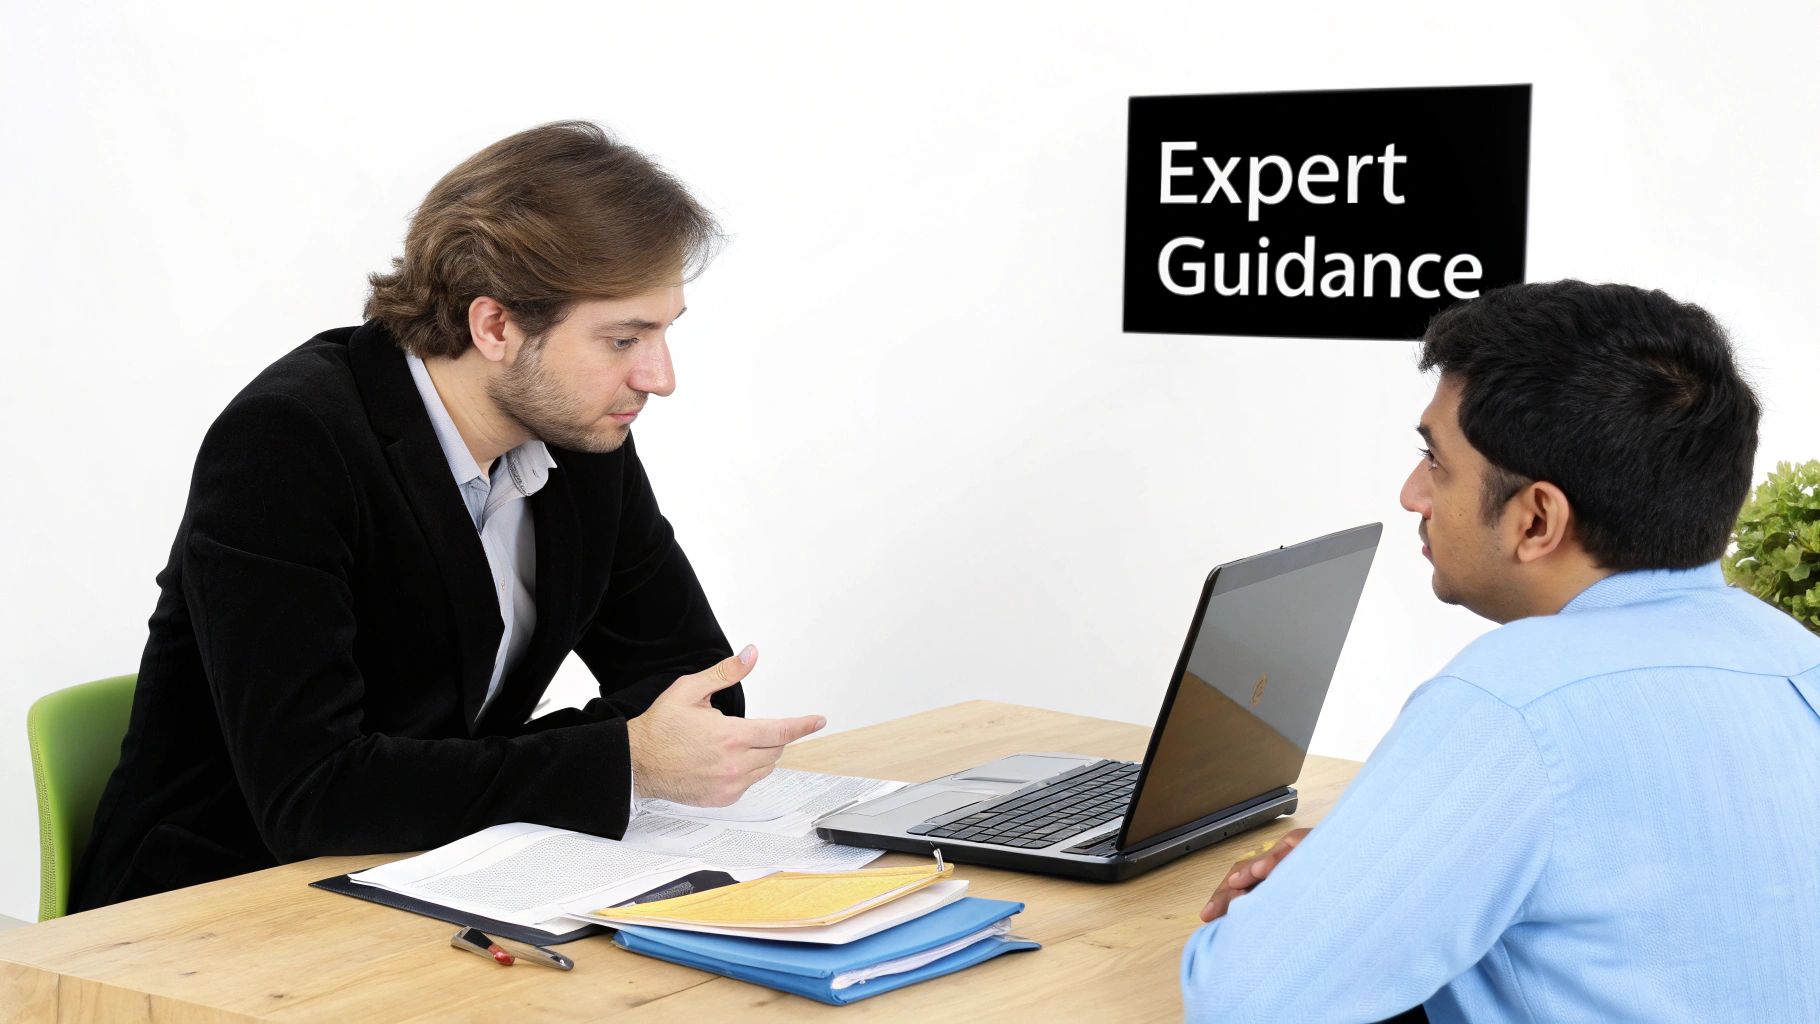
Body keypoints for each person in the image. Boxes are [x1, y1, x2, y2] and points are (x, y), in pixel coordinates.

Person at [72, 122, 826, 912]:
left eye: (664, 331)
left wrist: (632, 752)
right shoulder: (288, 443)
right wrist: (625, 759)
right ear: (494, 326)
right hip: (210, 911)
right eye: (622, 338)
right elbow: (311, 796)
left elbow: (695, 692)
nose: (659, 376)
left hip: (431, 874)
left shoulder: (582, 439)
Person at [1181, 281, 1820, 1022]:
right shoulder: (1796, 658)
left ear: (1536, 519)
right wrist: (1379, 865)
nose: (1411, 494)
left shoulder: (1516, 702)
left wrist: (1294, 903)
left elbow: (1244, 1002)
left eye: (1436, 462)